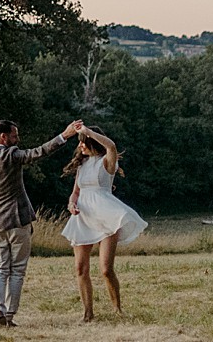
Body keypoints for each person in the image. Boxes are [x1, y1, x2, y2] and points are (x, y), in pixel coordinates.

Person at [0, 118, 84, 328]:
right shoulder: (12, 155)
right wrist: (65, 135)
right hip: (17, 220)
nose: (18, 139)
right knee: (17, 269)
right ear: (3, 137)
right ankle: (9, 314)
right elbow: (39, 152)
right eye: (15, 135)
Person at [60, 123, 147, 321]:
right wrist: (71, 204)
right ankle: (88, 314)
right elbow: (75, 193)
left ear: (92, 141)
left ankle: (117, 309)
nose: (80, 147)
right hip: (83, 216)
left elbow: (111, 147)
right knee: (80, 268)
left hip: (107, 216)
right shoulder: (81, 165)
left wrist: (88, 132)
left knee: (106, 269)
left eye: (83, 143)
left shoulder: (107, 161)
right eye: (80, 143)